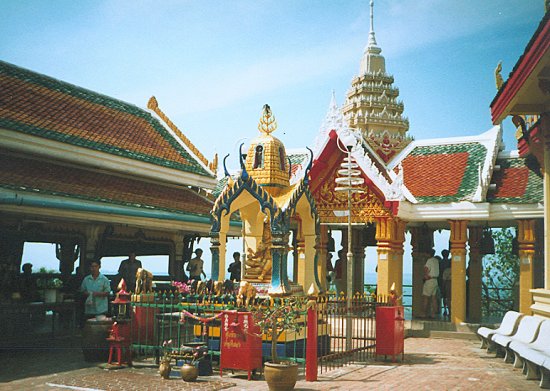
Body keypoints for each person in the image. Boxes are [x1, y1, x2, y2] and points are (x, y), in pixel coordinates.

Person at [422, 249, 439, 319]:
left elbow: (426, 268)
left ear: (428, 254)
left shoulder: (429, 260)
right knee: (433, 298)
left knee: (425, 297)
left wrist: (426, 275)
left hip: (430, 280)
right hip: (435, 280)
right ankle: (433, 314)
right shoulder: (436, 260)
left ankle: (423, 313)